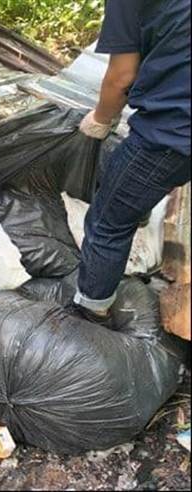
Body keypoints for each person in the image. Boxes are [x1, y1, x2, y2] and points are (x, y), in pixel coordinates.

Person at [75, 0, 191, 322]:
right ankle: (137, 212)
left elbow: (121, 77)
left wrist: (100, 119)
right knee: (133, 190)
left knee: (107, 223)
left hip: (171, 133)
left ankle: (91, 311)